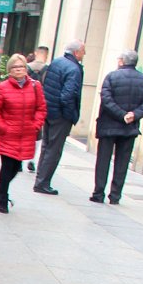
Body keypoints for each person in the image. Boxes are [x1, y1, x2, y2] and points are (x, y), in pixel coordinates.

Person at [92, 49, 143, 204]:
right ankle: (115, 196)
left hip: (109, 126)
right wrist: (133, 115)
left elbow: (106, 99)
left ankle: (98, 193)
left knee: (103, 160)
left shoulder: (111, 77)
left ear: (121, 61)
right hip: (129, 128)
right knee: (122, 162)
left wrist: (122, 114)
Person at [0, 55, 45, 214]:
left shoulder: (35, 86)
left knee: (16, 167)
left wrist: (35, 125)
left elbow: (41, 108)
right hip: (7, 134)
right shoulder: (3, 87)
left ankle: (1, 188)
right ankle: (3, 198)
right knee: (7, 166)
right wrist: (3, 127)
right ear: (10, 70)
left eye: (22, 66)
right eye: (15, 67)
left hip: (26, 134)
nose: (19, 70)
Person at [34, 40, 86, 195]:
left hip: (49, 110)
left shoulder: (56, 62)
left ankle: (40, 179)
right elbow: (68, 95)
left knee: (47, 146)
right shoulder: (74, 69)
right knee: (54, 149)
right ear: (76, 52)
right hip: (60, 114)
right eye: (83, 51)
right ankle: (42, 182)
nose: (84, 54)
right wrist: (70, 115)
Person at [25, 46, 51, 171]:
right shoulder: (48, 70)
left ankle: (19, 159)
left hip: (25, 103)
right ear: (46, 55)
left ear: (35, 53)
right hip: (39, 105)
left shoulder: (26, 67)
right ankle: (31, 159)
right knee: (37, 132)